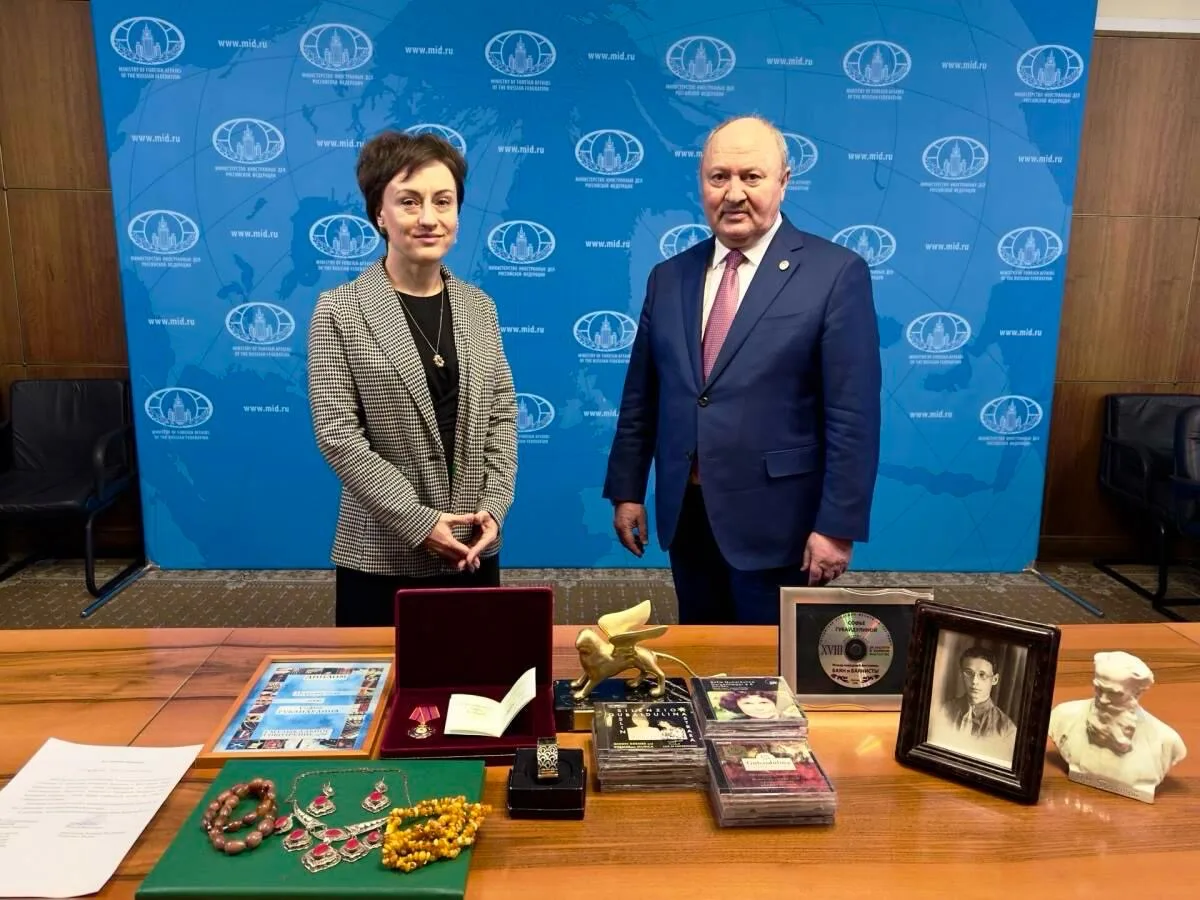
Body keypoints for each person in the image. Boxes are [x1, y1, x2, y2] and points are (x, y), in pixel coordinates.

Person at [602, 114, 882, 625]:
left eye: (751, 177)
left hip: (782, 526)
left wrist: (837, 526)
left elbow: (853, 416)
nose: (734, 193)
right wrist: (627, 490)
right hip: (688, 519)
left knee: (768, 667)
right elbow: (643, 395)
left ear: (783, 182)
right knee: (701, 651)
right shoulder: (669, 277)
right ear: (702, 183)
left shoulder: (836, 273)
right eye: (719, 177)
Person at [307, 131, 518, 627]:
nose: (428, 217)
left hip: (472, 549)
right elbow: (339, 436)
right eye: (409, 201)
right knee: (388, 678)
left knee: (475, 673)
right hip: (382, 558)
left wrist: (494, 506)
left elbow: (502, 414)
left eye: (443, 201)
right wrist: (421, 523)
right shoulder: (340, 310)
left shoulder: (479, 307)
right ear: (379, 214)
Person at [937, 645, 1017, 756]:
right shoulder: (943, 711)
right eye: (969, 673)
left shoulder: (1006, 730)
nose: (974, 681)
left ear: (994, 679)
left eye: (982, 675)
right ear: (961, 675)